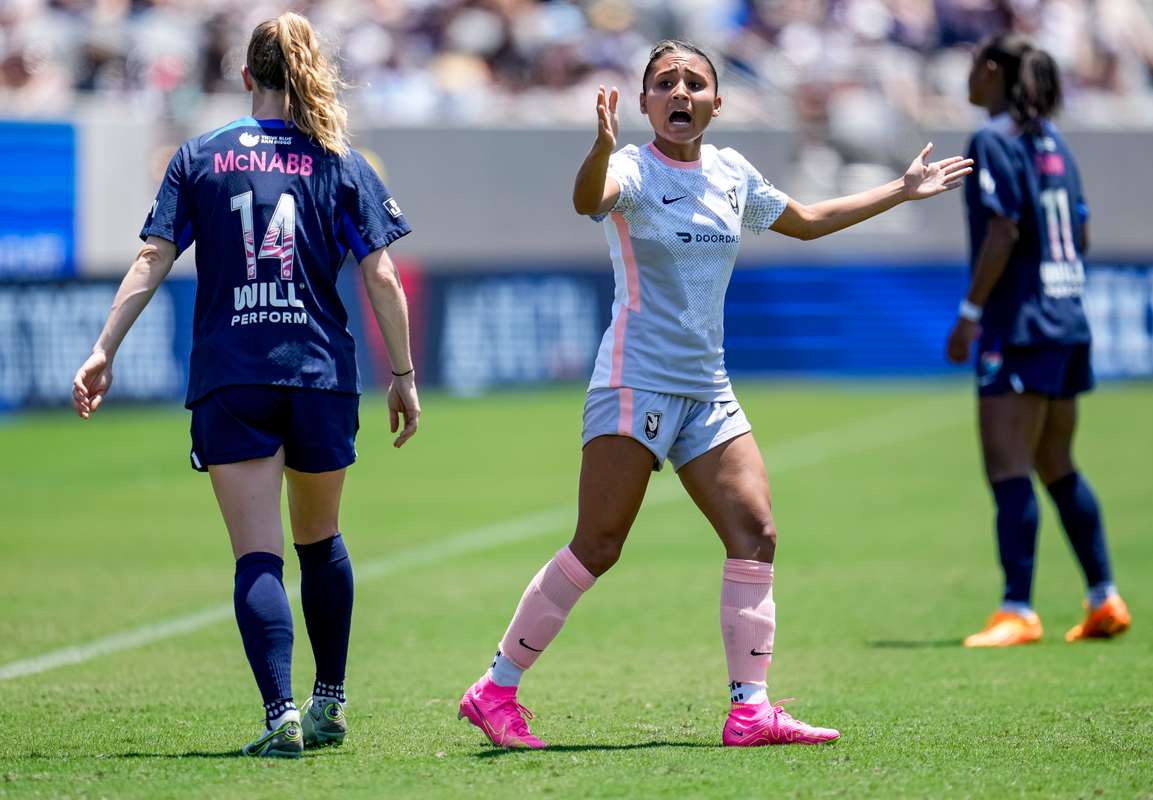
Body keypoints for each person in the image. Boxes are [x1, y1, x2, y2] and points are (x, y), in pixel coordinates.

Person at [457, 39, 972, 749]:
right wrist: (601, 148)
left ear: (716, 102)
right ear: (643, 104)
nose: (680, 93)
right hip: (635, 381)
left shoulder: (732, 172)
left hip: (706, 387)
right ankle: (495, 690)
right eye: (664, 83)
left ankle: (750, 710)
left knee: (755, 532)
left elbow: (808, 221)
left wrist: (901, 191)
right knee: (598, 545)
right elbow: (587, 201)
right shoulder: (631, 169)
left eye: (694, 83)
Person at [71, 12, 420, 757]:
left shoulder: (200, 156)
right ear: (306, 75)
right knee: (320, 542)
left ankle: (280, 715)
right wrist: (402, 374)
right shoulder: (340, 160)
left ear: (245, 77)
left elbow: (150, 259)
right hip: (320, 373)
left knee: (257, 557)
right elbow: (381, 272)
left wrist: (103, 349)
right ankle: (329, 700)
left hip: (233, 377)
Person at [947, 34, 1131, 648]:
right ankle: (1104, 596)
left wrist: (972, 313)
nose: (968, 79)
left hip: (1018, 326)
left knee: (1009, 468)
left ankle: (1017, 608)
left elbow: (1002, 230)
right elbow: (1082, 230)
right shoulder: (1056, 144)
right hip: (1066, 319)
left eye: (974, 67)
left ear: (993, 71)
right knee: (1057, 464)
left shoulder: (992, 140)